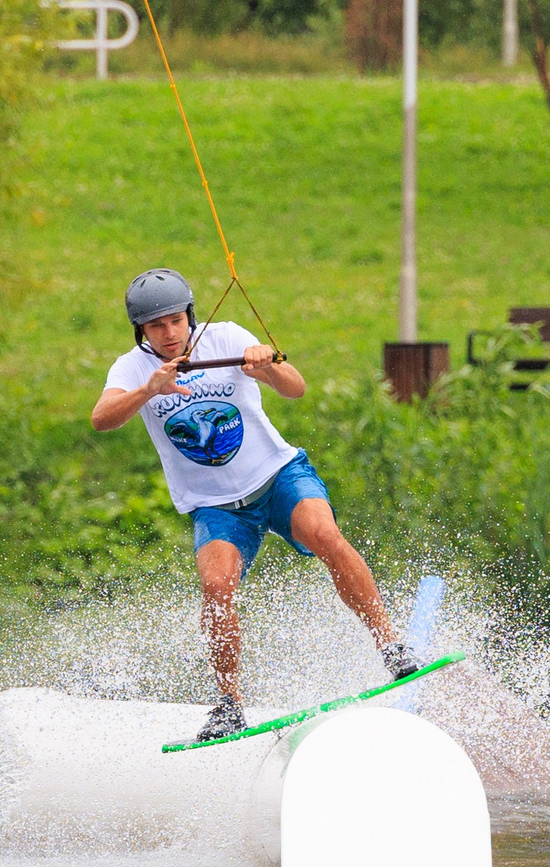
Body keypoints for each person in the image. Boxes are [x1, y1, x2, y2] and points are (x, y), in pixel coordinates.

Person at [91, 267, 413, 743]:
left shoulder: (225, 336)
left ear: (189, 316)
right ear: (141, 330)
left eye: (175, 321)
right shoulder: (132, 369)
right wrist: (147, 391)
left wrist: (265, 365)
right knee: (217, 586)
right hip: (216, 506)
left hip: (277, 477)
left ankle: (393, 648)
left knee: (325, 535)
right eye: (156, 326)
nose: (169, 333)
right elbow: (101, 419)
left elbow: (295, 387)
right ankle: (228, 705)